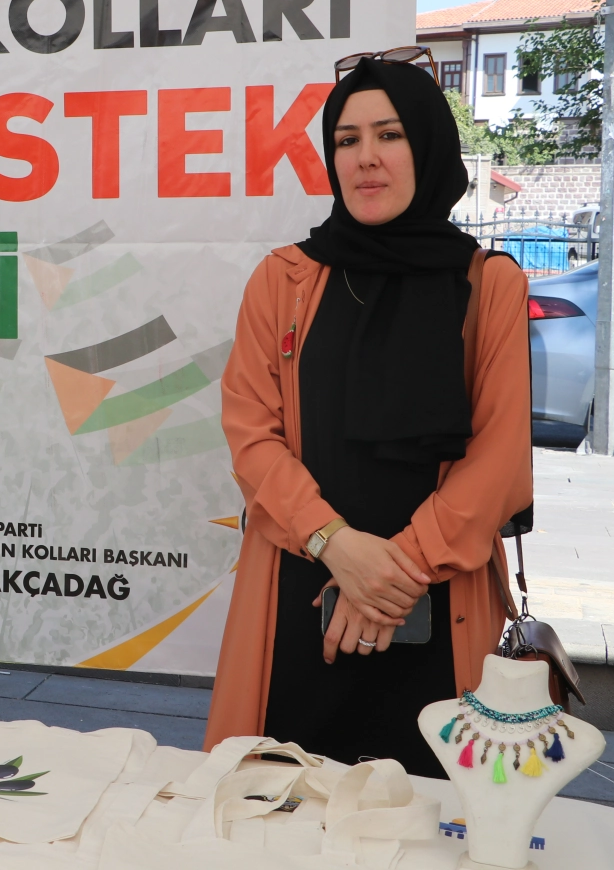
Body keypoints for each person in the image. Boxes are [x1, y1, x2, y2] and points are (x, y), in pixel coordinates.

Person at [204, 54, 532, 777]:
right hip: (300, 600)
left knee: (438, 816)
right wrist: (339, 548)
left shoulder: (489, 285)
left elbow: (499, 460)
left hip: (438, 607)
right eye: (346, 140)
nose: (366, 158)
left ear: (429, 146)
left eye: (389, 135)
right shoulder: (283, 280)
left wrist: (389, 578)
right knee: (275, 802)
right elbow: (251, 435)